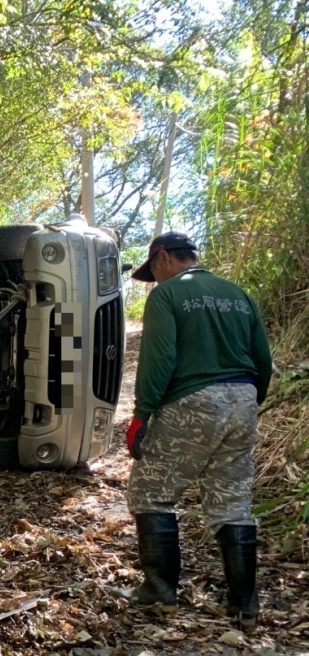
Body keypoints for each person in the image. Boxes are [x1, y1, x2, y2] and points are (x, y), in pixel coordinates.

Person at [121, 232, 272, 629]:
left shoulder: (168, 295)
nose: (154, 280)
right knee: (231, 499)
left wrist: (142, 415)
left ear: (163, 257)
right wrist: (250, 402)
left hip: (193, 399)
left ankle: (159, 595)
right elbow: (263, 360)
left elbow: (160, 359)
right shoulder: (237, 293)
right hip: (243, 399)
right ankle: (244, 604)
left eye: (153, 271)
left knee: (151, 492)